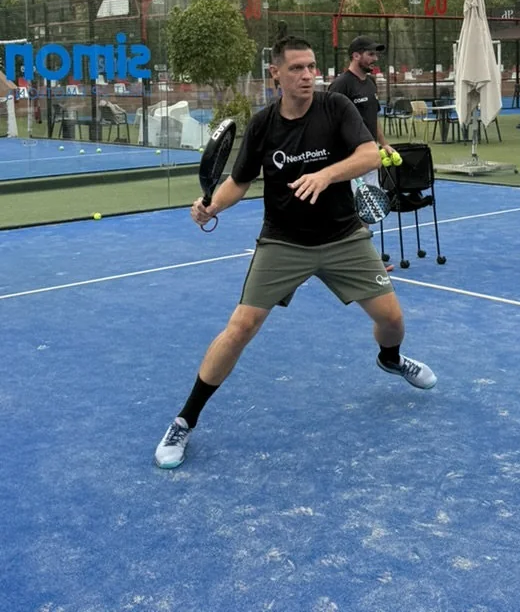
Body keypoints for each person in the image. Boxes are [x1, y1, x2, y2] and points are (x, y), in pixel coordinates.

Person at [154, 36, 436, 470]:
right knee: (240, 327)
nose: (307, 76)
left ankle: (391, 359)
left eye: (311, 67)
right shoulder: (262, 125)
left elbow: (368, 155)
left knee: (393, 321)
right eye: (297, 68)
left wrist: (325, 175)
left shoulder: (335, 107)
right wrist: (211, 206)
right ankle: (184, 421)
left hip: (344, 238)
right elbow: (239, 181)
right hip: (284, 242)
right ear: (276, 74)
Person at [327, 36, 394, 184]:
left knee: (373, 198)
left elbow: (373, 117)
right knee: (353, 199)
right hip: (349, 159)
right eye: (370, 54)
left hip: (370, 156)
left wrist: (384, 144)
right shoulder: (341, 85)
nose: (375, 59)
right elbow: (329, 123)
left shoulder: (371, 82)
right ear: (356, 56)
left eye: (376, 55)